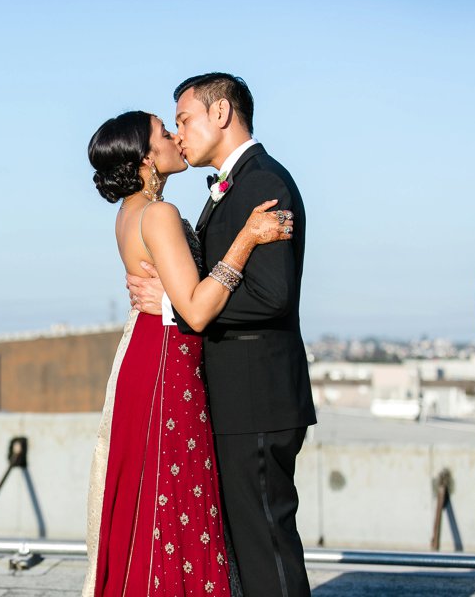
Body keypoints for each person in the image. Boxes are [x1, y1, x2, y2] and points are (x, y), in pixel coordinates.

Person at [82, 109, 294, 597]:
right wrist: (246, 239)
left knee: (153, 498)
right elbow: (196, 312)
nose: (176, 136)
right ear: (144, 158)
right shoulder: (158, 214)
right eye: (164, 131)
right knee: (175, 496)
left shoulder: (130, 213)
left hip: (146, 353)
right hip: (165, 364)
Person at [127, 73, 317, 597]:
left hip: (257, 396)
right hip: (239, 398)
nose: (180, 133)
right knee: (251, 548)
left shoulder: (263, 184)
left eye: (183, 119)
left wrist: (175, 309)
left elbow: (272, 295)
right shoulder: (234, 186)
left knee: (266, 546)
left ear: (221, 113)